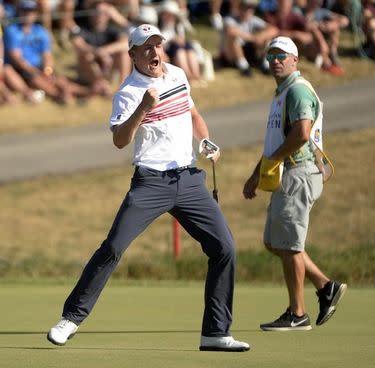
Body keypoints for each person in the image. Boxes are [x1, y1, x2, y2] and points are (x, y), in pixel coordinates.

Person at [47, 24, 250, 353]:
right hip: (150, 182)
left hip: (188, 180)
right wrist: (143, 106)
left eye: (158, 45)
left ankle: (215, 332)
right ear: (133, 55)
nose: (155, 52)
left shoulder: (178, 75)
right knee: (113, 247)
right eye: (146, 48)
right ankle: (71, 318)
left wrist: (205, 139)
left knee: (224, 248)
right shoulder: (127, 93)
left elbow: (193, 114)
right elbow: (119, 140)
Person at [242, 36, 346, 331]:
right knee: (275, 242)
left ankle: (297, 314)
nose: (274, 60)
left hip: (298, 173)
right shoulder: (282, 92)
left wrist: (270, 165)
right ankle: (326, 286)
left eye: (281, 55)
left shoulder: (297, 91)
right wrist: (256, 174)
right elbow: (277, 139)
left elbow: (301, 134)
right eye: (270, 55)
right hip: (286, 173)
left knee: (288, 245)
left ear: (294, 59)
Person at [3, 0, 93, 104]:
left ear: (36, 14)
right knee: (36, 79)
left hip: (39, 66)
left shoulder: (41, 31)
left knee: (58, 80)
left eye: (31, 11)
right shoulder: (12, 31)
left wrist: (47, 70)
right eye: (25, 11)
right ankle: (59, 96)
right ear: (19, 12)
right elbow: (16, 58)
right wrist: (35, 71)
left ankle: (86, 92)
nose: (28, 15)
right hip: (23, 68)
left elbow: (47, 55)